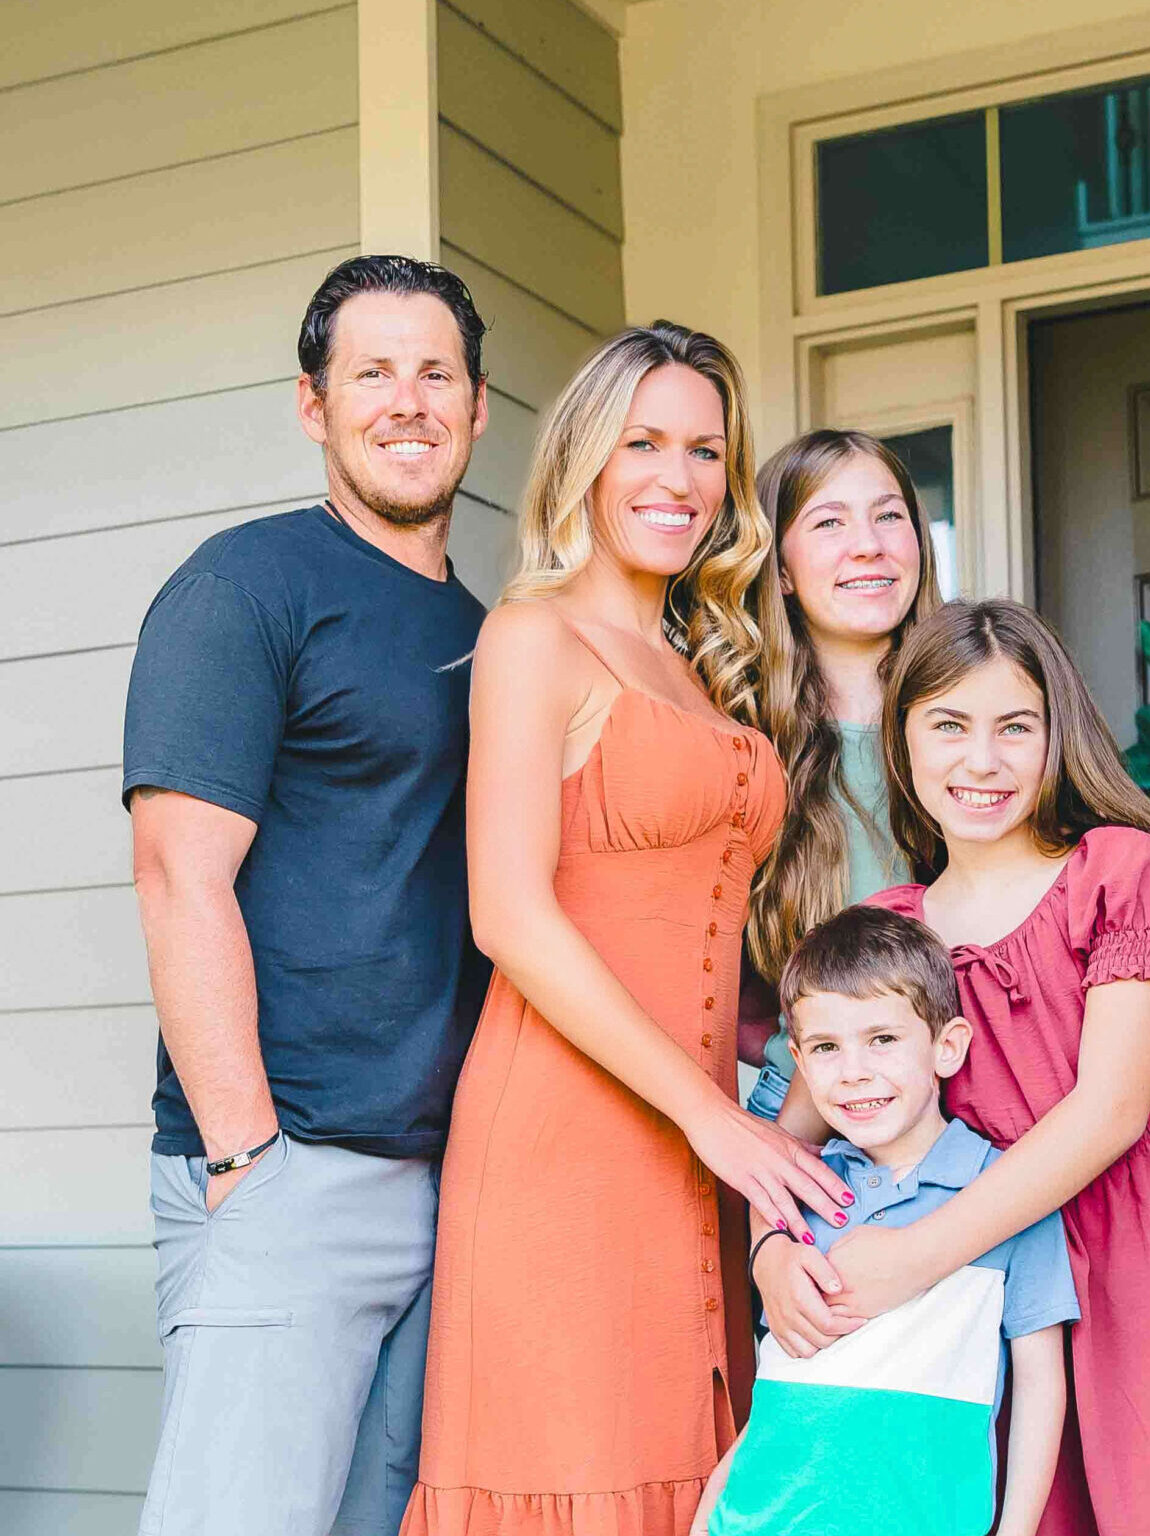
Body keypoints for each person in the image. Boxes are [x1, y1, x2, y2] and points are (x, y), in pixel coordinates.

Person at [401, 322, 853, 1536]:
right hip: (565, 1137)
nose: (679, 476)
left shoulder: (705, 669)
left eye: (706, 450)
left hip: (700, 1155)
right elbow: (507, 913)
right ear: (585, 462)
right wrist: (711, 1118)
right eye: (643, 442)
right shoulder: (531, 635)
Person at [763, 598, 1150, 1535]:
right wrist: (772, 1249)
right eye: (947, 726)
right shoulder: (893, 933)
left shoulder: (1118, 870)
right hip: (999, 1267)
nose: (980, 761)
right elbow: (786, 1140)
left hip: (1143, 1241)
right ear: (901, 743)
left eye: (1013, 728)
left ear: (1054, 738)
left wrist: (914, 1254)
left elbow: (1109, 1111)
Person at [123, 254, 495, 1536]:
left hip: (450, 1182)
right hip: (291, 1175)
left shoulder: (492, 636)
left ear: (478, 406)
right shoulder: (248, 588)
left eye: (435, 372)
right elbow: (179, 873)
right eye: (372, 372)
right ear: (313, 405)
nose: (408, 400)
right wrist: (246, 1157)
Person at [695, 905, 1077, 1536]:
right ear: (799, 1058)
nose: (853, 1072)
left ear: (946, 1047)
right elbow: (779, 1396)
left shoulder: (1006, 1195)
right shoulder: (799, 1195)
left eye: (882, 1039)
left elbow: (1041, 1387)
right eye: (825, 1047)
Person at [740, 429, 942, 1122]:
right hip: (797, 1113)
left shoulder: (973, 728)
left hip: (962, 1110)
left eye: (890, 516)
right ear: (782, 570)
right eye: (829, 523)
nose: (869, 545)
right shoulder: (738, 741)